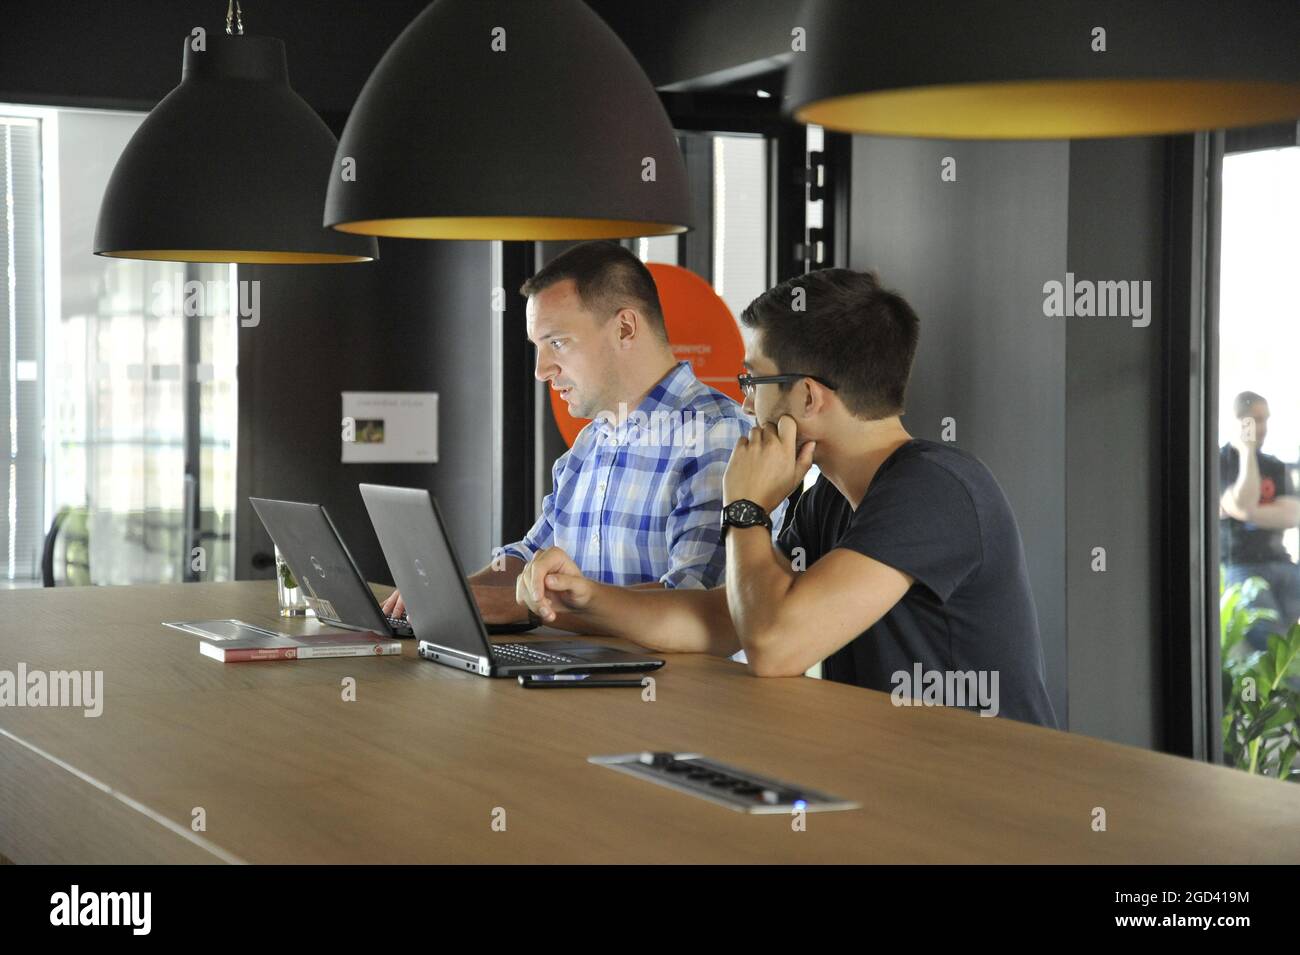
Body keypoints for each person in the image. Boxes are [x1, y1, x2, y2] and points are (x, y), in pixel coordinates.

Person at [514, 267, 1058, 727]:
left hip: (988, 802)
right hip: (901, 783)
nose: (746, 404)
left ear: (806, 395)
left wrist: (746, 509)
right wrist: (584, 599)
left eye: (753, 382)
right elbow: (721, 621)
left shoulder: (935, 487)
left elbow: (774, 647)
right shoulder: (827, 500)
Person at [383, 240, 778, 623]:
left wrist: (529, 610)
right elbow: (529, 554)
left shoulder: (717, 435)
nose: (541, 370)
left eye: (558, 342)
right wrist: (449, 595)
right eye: (539, 346)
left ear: (625, 328)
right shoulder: (593, 441)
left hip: (674, 689)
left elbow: (693, 599)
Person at [1219, 390, 1300, 651]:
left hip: (1282, 563)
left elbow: (1293, 514)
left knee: (1285, 641)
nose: (1263, 427)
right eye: (1255, 420)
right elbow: (1242, 503)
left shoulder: (1275, 466)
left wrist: (1247, 512)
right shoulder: (1218, 462)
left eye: (1265, 419)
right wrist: (1246, 452)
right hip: (1241, 566)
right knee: (1273, 644)